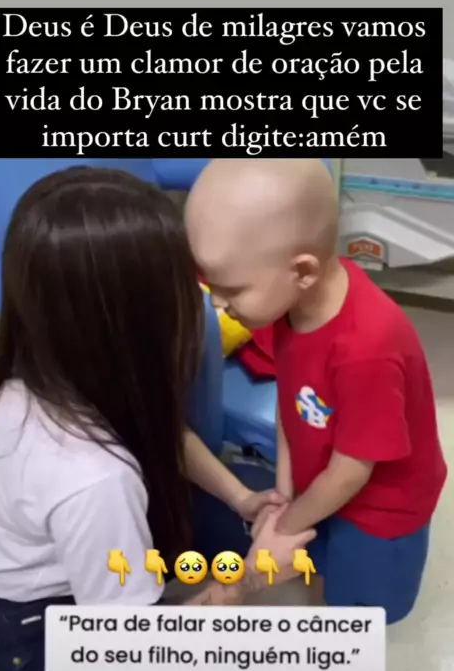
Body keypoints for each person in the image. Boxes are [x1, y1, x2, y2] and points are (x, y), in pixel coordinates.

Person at [0, 166, 314, 671]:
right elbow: (127, 640)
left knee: (225, 526)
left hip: (40, 573)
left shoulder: (41, 375)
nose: (208, 303)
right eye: (188, 289)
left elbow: (159, 429)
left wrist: (242, 497)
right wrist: (249, 580)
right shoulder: (92, 477)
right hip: (28, 633)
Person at [185, 158, 448, 626]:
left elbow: (350, 473)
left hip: (380, 511)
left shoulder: (368, 348)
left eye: (231, 289)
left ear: (302, 271)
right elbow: (291, 403)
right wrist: (286, 495)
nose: (218, 304)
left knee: (360, 609)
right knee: (322, 564)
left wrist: (282, 529)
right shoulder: (287, 302)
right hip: (319, 479)